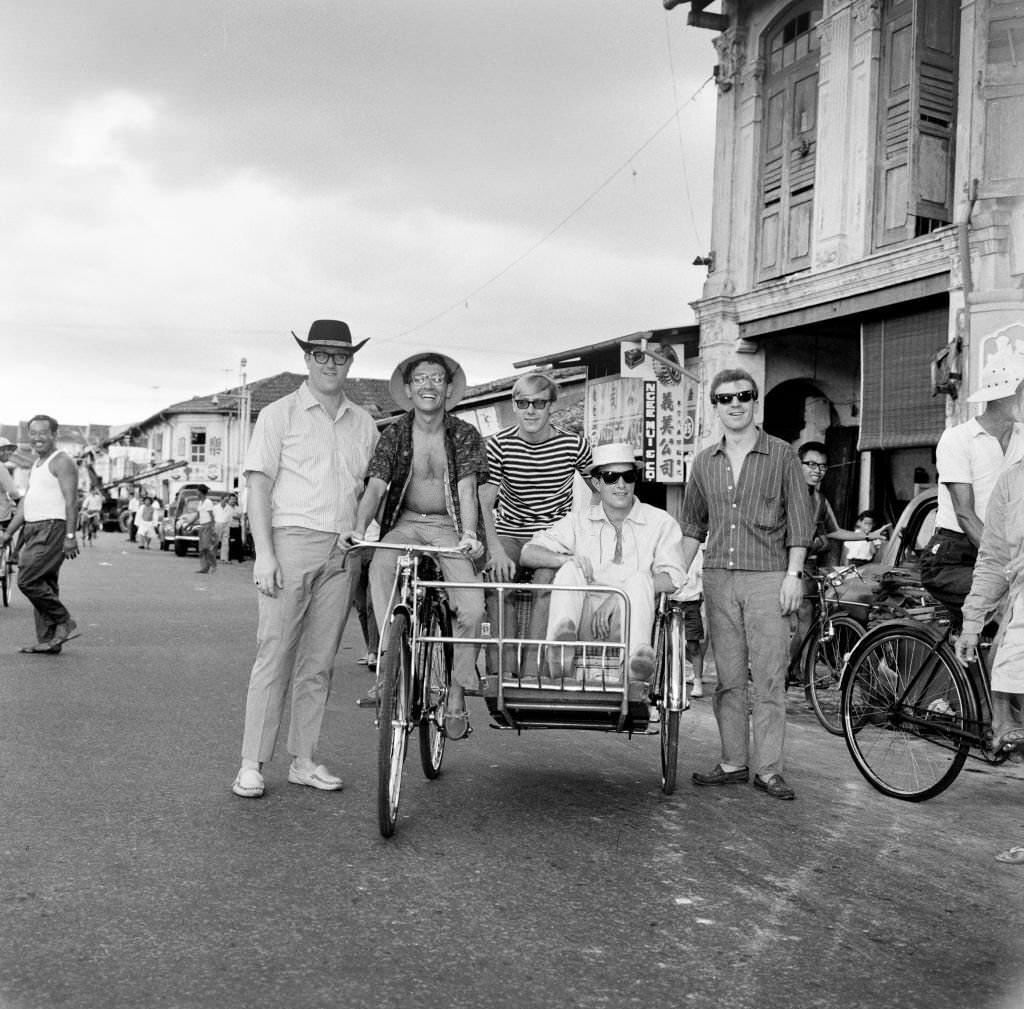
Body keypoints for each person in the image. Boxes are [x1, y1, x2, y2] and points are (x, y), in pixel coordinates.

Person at [231, 320, 378, 800]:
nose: (331, 364)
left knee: (319, 662)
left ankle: (304, 760)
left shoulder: (364, 422)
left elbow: (372, 491)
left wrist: (363, 536)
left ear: (351, 362)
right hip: (290, 540)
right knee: (274, 654)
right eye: (321, 355)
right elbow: (258, 486)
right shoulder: (279, 414)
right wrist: (264, 555)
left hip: (344, 548)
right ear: (307, 359)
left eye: (340, 356)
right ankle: (251, 763)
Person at [680, 369, 814, 800]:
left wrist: (794, 576)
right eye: (724, 398)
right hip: (718, 576)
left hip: (769, 577)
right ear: (714, 406)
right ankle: (734, 761)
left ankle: (770, 769)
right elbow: (691, 528)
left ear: (755, 402)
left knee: (771, 678)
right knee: (729, 678)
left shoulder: (782, 456)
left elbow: (799, 522)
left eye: (743, 396)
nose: (734, 404)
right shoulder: (703, 463)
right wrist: (673, 576)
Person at [346, 351, 487, 741]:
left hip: (449, 526)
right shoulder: (394, 433)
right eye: (421, 379)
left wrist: (470, 535)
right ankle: (391, 665)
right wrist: (360, 531)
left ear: (448, 388)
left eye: (437, 379)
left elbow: (468, 490)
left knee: (472, 608)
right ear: (409, 390)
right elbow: (376, 485)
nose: (428, 385)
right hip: (405, 523)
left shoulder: (463, 434)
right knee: (379, 568)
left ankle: (457, 693)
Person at [519, 442, 686, 682]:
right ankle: (561, 649)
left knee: (639, 580)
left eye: (627, 476)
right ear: (596, 483)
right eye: (610, 477)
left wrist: (622, 593)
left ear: (635, 480)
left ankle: (635, 661)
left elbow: (673, 578)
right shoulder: (578, 521)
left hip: (629, 616)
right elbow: (528, 552)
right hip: (582, 619)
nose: (620, 485)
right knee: (569, 567)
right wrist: (566, 558)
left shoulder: (660, 521)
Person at [479, 371, 593, 678]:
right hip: (511, 532)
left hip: (553, 536)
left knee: (547, 581)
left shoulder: (575, 445)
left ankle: (531, 668)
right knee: (497, 577)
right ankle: (503, 670)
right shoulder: (499, 445)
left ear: (551, 406)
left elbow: (604, 490)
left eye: (539, 403)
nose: (531, 410)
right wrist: (495, 551)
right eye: (523, 402)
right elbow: (484, 503)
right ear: (514, 405)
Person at [920, 355, 1024, 630]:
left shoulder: (1021, 437)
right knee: (1009, 608)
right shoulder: (958, 439)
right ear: (1003, 395)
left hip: (997, 552)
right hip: (952, 557)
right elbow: (965, 514)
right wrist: (1006, 562)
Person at [788, 441, 890, 672]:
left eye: (822, 467)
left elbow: (834, 531)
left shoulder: (820, 500)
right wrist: (816, 542)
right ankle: (787, 671)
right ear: (797, 465)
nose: (817, 470)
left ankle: (795, 669)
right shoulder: (785, 495)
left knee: (807, 621)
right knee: (783, 625)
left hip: (806, 570)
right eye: (811, 464)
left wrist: (866, 536)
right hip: (779, 569)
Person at [0, 415, 81, 654]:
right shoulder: (37, 464)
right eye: (33, 433)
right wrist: (9, 533)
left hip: (52, 527)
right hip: (34, 527)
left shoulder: (62, 461)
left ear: (54, 435)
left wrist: (70, 536)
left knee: (28, 579)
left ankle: (64, 621)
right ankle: (49, 639)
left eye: (42, 433)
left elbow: (71, 501)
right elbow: (26, 503)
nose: (37, 438)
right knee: (45, 583)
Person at [193, 485, 218, 573]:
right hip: (202, 526)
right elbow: (197, 516)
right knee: (201, 549)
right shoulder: (200, 502)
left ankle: (213, 564)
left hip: (208, 526)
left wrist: (213, 528)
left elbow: (212, 516)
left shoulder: (208, 502)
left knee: (206, 548)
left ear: (201, 492)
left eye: (197, 491)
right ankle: (204, 567)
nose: (196, 493)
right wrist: (189, 524)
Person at [0, 437, 20, 533]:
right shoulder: (1, 467)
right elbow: (12, 491)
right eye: (4, 450)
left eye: (9, 450)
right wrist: (20, 502)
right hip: (1, 515)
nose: (8, 453)